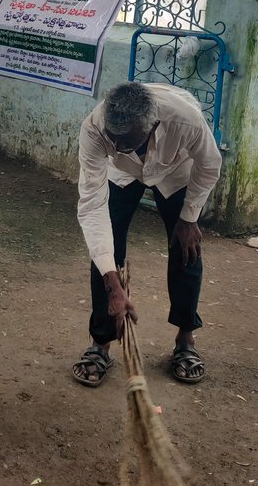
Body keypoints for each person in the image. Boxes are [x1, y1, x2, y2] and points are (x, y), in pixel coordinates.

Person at [71, 81, 222, 388]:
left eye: (127, 142)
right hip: (122, 173)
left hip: (175, 169)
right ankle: (100, 344)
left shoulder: (185, 119)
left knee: (187, 248)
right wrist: (113, 283)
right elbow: (92, 207)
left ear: (152, 126)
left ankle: (186, 339)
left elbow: (209, 165)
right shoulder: (96, 129)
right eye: (114, 140)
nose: (118, 147)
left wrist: (189, 218)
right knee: (104, 253)